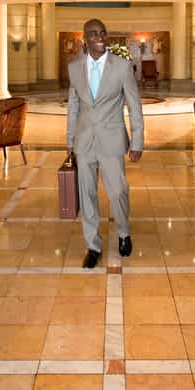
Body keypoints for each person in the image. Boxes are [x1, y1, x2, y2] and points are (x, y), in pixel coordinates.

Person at [66, 18, 144, 268]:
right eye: (93, 33)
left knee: (118, 191)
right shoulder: (74, 68)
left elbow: (134, 106)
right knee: (87, 194)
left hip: (112, 139)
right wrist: (70, 140)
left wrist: (137, 141)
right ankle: (93, 246)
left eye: (102, 33)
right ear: (85, 39)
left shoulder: (122, 66)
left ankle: (123, 232)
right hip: (84, 141)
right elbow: (74, 106)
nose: (100, 37)